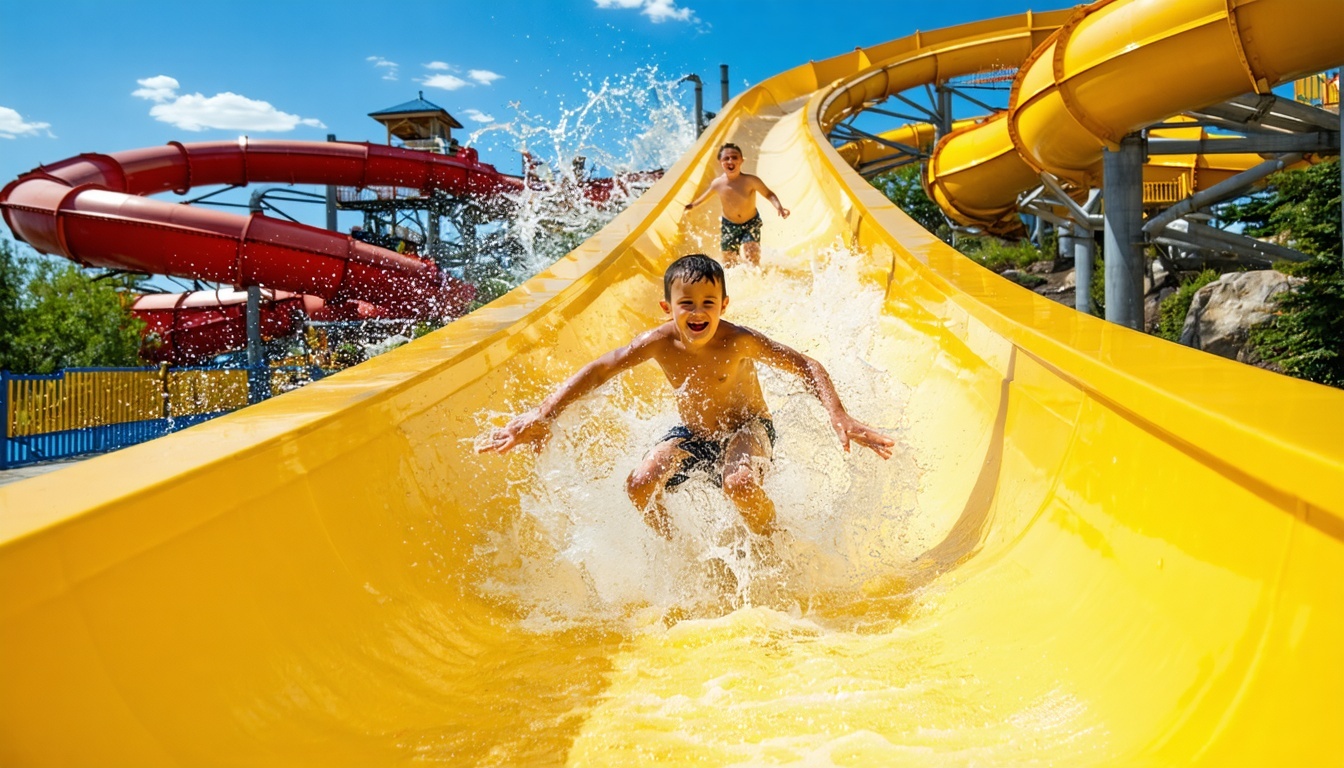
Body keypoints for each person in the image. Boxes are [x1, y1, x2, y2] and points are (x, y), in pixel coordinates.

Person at [478, 254, 893, 541]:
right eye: (687, 304)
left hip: (749, 430)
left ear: (724, 304)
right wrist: (544, 414)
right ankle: (678, 549)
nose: (698, 312)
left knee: (740, 483)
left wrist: (839, 415)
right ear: (667, 307)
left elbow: (806, 365)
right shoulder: (658, 342)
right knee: (639, 485)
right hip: (694, 435)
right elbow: (602, 369)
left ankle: (772, 542)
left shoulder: (740, 341)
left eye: (709, 303)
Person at [683, 143, 790, 267]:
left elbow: (769, 194)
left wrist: (779, 207)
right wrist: (691, 206)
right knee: (729, 261)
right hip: (729, 225)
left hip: (751, 222)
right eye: (726, 158)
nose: (730, 161)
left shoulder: (750, 181)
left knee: (752, 253)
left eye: (734, 157)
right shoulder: (717, 184)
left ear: (741, 160)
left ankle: (755, 276)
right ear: (720, 162)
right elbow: (704, 198)